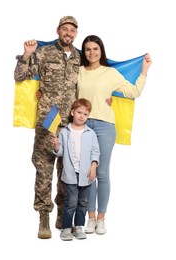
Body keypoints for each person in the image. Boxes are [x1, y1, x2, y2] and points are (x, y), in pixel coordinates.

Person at [77, 35, 152, 235]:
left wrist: (144, 70)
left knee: (101, 172)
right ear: (83, 52)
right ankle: (90, 218)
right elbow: (68, 94)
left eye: (95, 49)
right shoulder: (79, 72)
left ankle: (101, 218)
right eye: (87, 49)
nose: (91, 53)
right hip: (83, 127)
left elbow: (133, 92)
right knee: (87, 174)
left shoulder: (110, 73)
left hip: (104, 126)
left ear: (101, 50)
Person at [14, 16, 80, 239]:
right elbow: (20, 76)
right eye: (65, 29)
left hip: (70, 125)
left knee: (66, 172)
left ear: (75, 34)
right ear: (58, 30)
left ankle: (62, 214)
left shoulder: (79, 57)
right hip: (47, 120)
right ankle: (43, 217)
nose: (68, 33)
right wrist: (26, 55)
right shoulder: (44, 53)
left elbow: (90, 83)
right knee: (44, 170)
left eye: (72, 30)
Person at [52, 98, 100, 241]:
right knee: (71, 202)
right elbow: (60, 152)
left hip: (86, 174)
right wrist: (55, 146)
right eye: (79, 112)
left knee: (83, 202)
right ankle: (66, 228)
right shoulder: (65, 132)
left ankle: (78, 226)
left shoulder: (90, 133)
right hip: (71, 174)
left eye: (85, 114)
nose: (81, 116)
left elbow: (95, 152)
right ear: (72, 112)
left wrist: (93, 167)